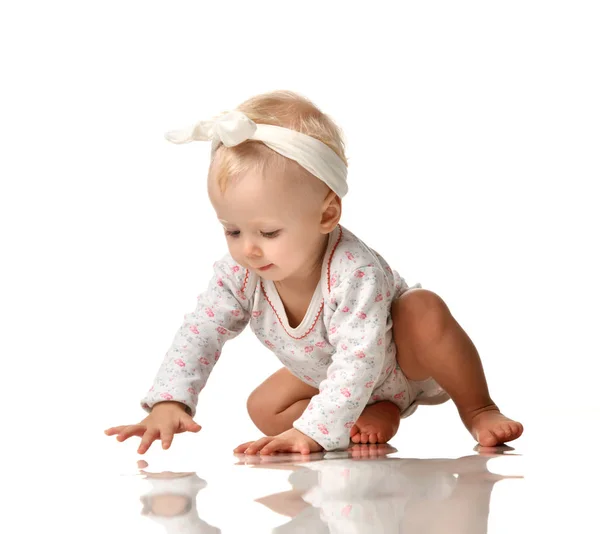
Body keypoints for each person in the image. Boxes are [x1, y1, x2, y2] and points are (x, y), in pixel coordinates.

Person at [104, 90, 523, 455]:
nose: (248, 248)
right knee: (263, 407)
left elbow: (361, 355)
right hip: (336, 375)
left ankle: (478, 408)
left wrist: (316, 431)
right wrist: (171, 401)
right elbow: (200, 332)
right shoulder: (240, 274)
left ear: (327, 214)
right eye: (232, 230)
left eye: (268, 231)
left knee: (424, 308)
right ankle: (373, 414)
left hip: (402, 361)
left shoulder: (353, 270)